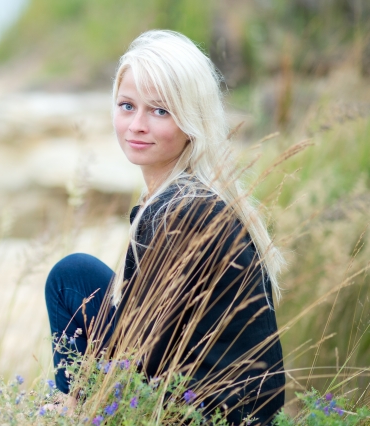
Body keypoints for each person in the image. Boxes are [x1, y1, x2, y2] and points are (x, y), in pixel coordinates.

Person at [44, 30, 286, 425]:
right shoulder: (189, 196)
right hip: (208, 396)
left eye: (160, 111)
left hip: (207, 413)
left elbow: (143, 354)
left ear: (192, 121)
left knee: (69, 278)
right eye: (127, 106)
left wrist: (95, 395)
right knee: (76, 276)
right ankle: (74, 406)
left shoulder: (183, 213)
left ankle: (73, 412)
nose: (137, 125)